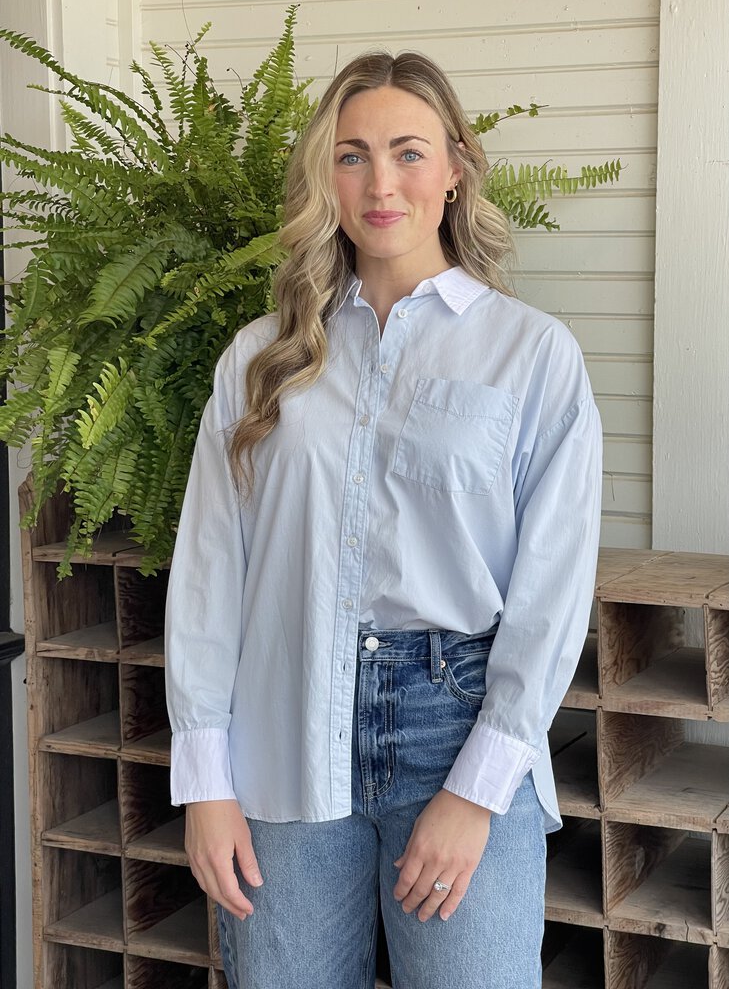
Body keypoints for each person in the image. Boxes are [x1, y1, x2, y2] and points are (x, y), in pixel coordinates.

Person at [164, 49, 602, 989]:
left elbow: (550, 596)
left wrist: (476, 793)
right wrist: (204, 780)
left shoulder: (531, 357)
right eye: (352, 155)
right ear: (327, 176)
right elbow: (209, 572)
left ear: (454, 168)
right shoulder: (259, 359)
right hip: (283, 728)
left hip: (457, 727)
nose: (380, 182)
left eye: (408, 152)